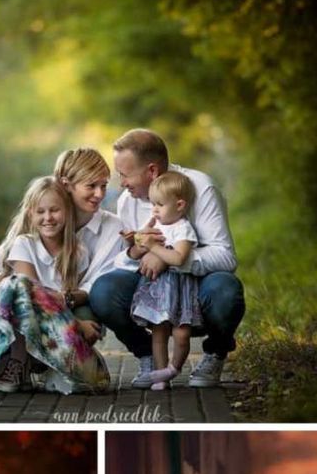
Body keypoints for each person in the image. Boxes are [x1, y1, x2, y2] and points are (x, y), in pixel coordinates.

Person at [90, 129, 244, 388]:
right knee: (103, 291)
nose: (121, 184)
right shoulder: (128, 200)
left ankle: (215, 353)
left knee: (226, 290)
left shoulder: (199, 187)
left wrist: (168, 258)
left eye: (125, 175)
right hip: (153, 288)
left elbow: (225, 256)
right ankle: (149, 358)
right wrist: (135, 252)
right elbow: (126, 262)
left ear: (151, 171)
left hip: (197, 288)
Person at [0, 177, 110, 395]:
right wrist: (77, 324)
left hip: (51, 331)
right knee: (20, 284)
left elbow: (66, 298)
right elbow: (33, 295)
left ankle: (37, 366)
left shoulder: (78, 252)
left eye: (54, 210)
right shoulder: (24, 243)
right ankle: (17, 361)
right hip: (9, 330)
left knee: (97, 381)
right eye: (40, 211)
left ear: (67, 212)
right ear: (31, 214)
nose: (48, 218)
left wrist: (74, 323)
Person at [125, 171, 201, 390]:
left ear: (179, 205)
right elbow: (141, 242)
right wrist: (136, 238)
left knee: (181, 333)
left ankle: (174, 368)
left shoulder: (183, 228)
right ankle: (160, 375)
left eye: (159, 204)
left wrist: (153, 247)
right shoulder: (156, 223)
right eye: (152, 204)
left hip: (179, 288)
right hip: (157, 287)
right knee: (158, 331)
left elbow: (178, 258)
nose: (154, 210)